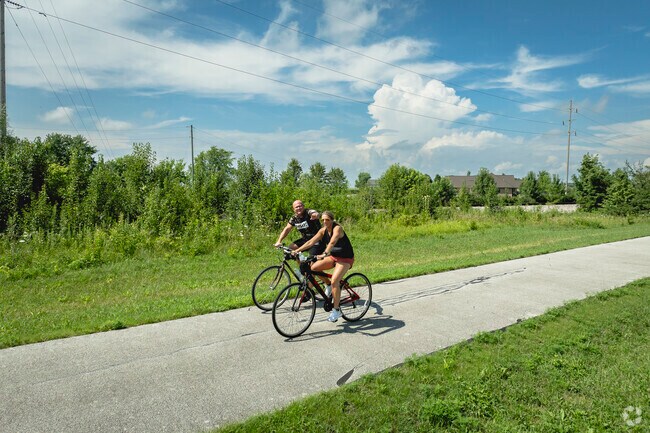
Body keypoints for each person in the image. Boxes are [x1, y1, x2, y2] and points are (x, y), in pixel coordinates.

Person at [293, 210, 354, 323]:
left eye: (327, 220)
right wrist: (297, 250)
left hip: (345, 258)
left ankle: (336, 310)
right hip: (334, 257)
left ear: (332, 220)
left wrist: (325, 253)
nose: (325, 222)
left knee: (335, 280)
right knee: (313, 268)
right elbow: (310, 242)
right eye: (323, 220)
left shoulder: (337, 228)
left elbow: (332, 242)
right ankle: (328, 286)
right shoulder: (322, 230)